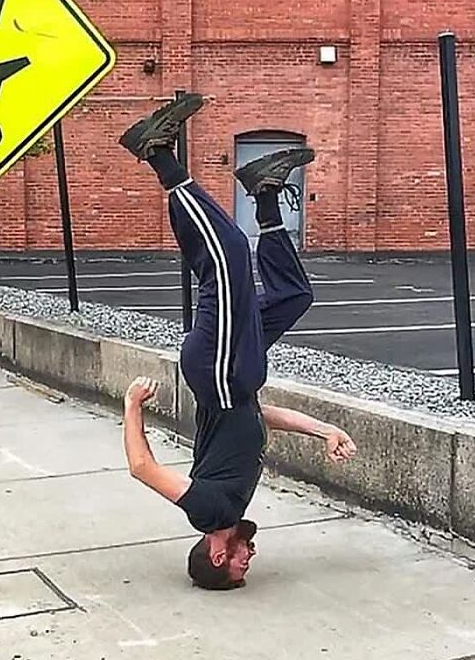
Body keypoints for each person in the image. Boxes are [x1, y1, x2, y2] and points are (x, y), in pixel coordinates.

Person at [119, 94, 357, 590]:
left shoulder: (209, 511)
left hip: (219, 368)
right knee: (293, 297)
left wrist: (132, 404)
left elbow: (142, 467)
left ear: (216, 554)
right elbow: (258, 415)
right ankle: (264, 193)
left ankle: (157, 154)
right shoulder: (236, 498)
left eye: (238, 565)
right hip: (236, 380)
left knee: (226, 256)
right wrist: (324, 430)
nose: (249, 559)